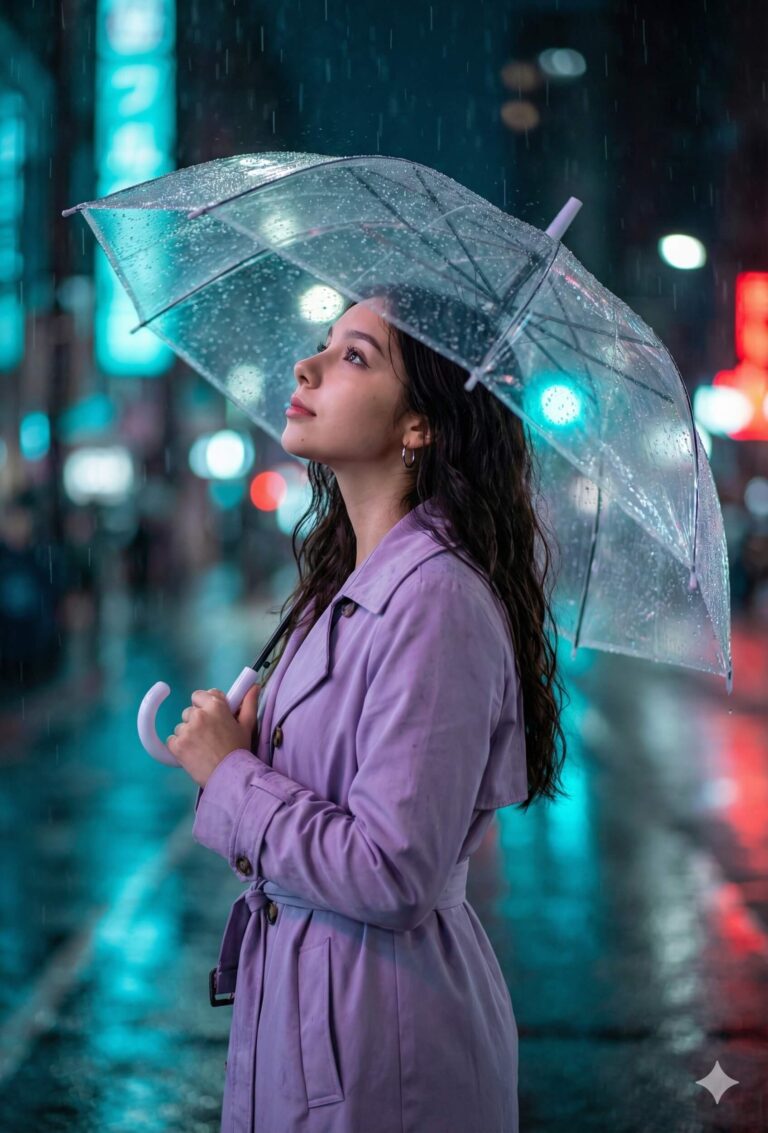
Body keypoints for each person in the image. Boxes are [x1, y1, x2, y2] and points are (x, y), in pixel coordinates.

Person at [169, 286, 569, 1132]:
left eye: (354, 356)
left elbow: (393, 870)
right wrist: (239, 747)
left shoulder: (436, 603)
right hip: (316, 1021)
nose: (307, 365)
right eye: (324, 344)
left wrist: (232, 776)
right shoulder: (344, 591)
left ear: (419, 425)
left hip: (384, 1047)